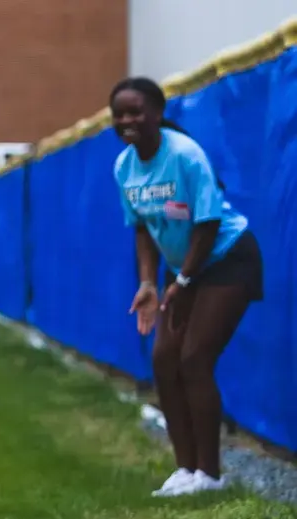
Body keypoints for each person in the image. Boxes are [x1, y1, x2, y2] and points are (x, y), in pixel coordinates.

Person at [111, 76, 264, 497]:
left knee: (195, 359)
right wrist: (148, 281)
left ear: (158, 114)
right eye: (119, 114)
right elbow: (142, 227)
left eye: (136, 111)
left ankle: (210, 476)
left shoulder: (185, 155)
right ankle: (185, 470)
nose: (127, 120)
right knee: (164, 360)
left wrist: (182, 279)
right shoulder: (124, 167)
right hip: (184, 270)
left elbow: (208, 221)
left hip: (227, 258)